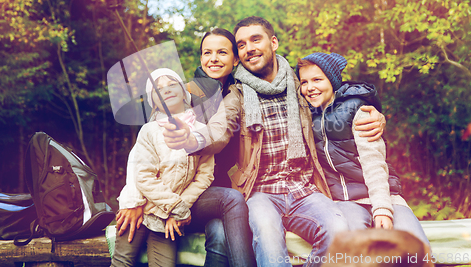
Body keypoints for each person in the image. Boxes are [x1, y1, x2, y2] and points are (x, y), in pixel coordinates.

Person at [161, 16, 386, 267]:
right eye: (242, 44)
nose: (249, 48)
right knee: (267, 241)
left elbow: (338, 95)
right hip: (261, 192)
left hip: (305, 189)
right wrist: (191, 138)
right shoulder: (237, 94)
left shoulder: (299, 83)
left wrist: (369, 108)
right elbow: (217, 130)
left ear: (274, 42)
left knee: (338, 230)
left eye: (255, 40)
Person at [115, 30, 257, 267]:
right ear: (200, 58)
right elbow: (140, 158)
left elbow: (220, 142)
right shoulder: (183, 91)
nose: (213, 58)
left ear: (235, 59)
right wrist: (134, 200)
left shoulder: (240, 93)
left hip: (206, 190)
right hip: (171, 194)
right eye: (207, 52)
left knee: (220, 234)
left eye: (222, 52)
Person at [296, 52, 429, 246]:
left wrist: (382, 209)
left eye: (317, 79)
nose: (310, 88)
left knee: (416, 247)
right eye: (304, 82)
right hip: (344, 201)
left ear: (332, 81)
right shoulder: (305, 114)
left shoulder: (358, 110)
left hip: (383, 194)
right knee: (355, 249)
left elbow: (374, 163)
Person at [110, 68, 215, 267]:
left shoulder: (202, 132)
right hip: (141, 208)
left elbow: (204, 176)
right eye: (158, 89)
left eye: (172, 84)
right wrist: (174, 206)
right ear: (153, 101)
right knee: (122, 262)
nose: (166, 90)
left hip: (167, 219)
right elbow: (143, 175)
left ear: (184, 92)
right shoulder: (149, 131)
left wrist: (178, 209)